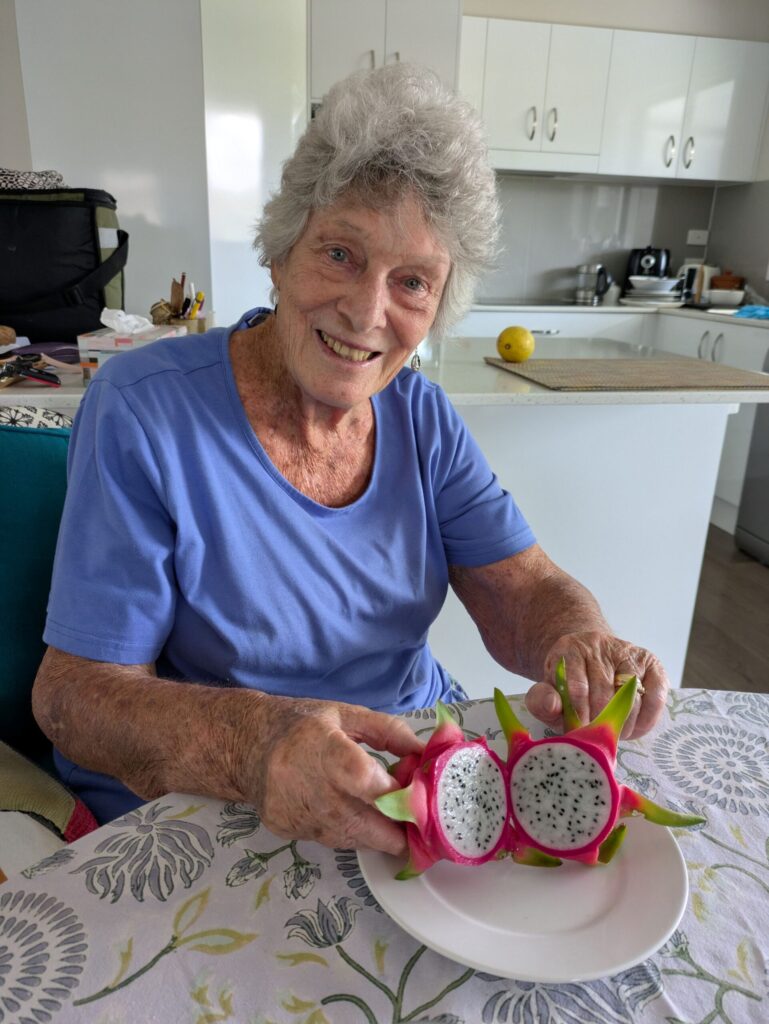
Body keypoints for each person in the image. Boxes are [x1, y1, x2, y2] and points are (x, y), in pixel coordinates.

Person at [32, 64, 668, 856]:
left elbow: (524, 591)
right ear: (279, 249)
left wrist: (580, 642)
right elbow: (74, 698)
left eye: (412, 282)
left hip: (414, 774)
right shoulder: (143, 408)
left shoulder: (422, 417)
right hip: (226, 800)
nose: (369, 312)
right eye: (339, 254)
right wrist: (256, 745)